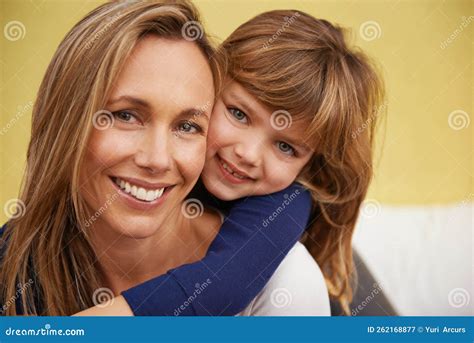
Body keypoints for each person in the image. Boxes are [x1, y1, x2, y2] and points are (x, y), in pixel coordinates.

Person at [0, 0, 321, 317]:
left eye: (187, 126)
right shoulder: (13, 270)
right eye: (126, 115)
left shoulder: (283, 284)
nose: (157, 159)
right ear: (65, 120)